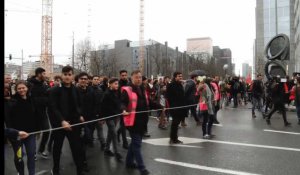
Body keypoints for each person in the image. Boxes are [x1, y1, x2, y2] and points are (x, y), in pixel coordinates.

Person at [121, 70, 162, 175]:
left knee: (134, 143)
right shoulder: (127, 90)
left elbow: (148, 102)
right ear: (132, 78)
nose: (138, 79)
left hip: (143, 121)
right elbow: (122, 103)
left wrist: (160, 107)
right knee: (137, 144)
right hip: (132, 122)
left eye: (140, 77)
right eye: (136, 77)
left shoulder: (142, 88)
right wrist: (123, 109)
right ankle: (142, 168)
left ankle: (129, 162)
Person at [48, 66, 85, 175]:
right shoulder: (55, 90)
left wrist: (79, 115)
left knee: (76, 148)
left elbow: (79, 105)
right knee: (57, 148)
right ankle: (56, 170)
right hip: (60, 125)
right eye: (65, 74)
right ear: (61, 75)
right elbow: (53, 108)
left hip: (73, 124)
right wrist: (62, 121)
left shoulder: (76, 89)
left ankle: (80, 170)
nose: (67, 77)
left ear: (73, 76)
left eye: (69, 74)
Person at [6, 81, 40, 175]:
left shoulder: (32, 100)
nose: (21, 90)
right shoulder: (12, 101)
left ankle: (31, 173)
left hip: (30, 133)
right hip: (17, 135)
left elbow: (36, 116)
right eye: (19, 88)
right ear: (16, 90)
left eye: (23, 88)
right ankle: (20, 173)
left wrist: (38, 130)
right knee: (19, 157)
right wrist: (10, 134)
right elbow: (8, 120)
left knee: (31, 155)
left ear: (27, 88)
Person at [27, 67, 50, 159]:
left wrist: (43, 100)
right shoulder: (30, 85)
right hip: (33, 114)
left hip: (43, 113)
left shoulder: (44, 85)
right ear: (39, 74)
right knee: (33, 134)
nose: (45, 75)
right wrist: (43, 100)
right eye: (44, 74)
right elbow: (31, 100)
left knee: (47, 131)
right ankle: (33, 153)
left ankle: (41, 150)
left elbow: (47, 99)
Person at [101, 78, 123, 162]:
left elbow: (119, 103)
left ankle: (106, 149)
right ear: (110, 84)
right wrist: (102, 117)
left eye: (117, 84)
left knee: (110, 133)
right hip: (108, 116)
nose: (117, 85)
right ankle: (117, 152)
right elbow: (102, 106)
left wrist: (121, 110)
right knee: (113, 133)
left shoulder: (118, 92)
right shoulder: (106, 94)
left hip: (116, 115)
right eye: (115, 84)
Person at [166, 71, 186, 144]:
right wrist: (173, 106)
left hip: (181, 107)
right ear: (175, 77)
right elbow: (169, 97)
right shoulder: (171, 85)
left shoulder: (180, 84)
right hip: (174, 107)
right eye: (179, 76)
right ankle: (173, 138)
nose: (180, 77)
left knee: (177, 123)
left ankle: (174, 138)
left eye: (181, 76)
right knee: (175, 123)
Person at [90, 75, 106, 149]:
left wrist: (102, 115)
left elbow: (102, 103)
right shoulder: (89, 89)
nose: (96, 80)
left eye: (97, 79)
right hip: (91, 114)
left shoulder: (100, 90)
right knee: (91, 129)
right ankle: (90, 141)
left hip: (99, 113)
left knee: (100, 129)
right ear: (92, 80)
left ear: (99, 81)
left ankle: (103, 143)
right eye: (95, 79)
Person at [117, 70, 129, 149]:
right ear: (120, 76)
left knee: (127, 124)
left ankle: (118, 132)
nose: (124, 76)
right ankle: (125, 142)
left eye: (125, 75)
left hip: (129, 106)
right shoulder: (118, 84)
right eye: (122, 75)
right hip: (121, 106)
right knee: (123, 124)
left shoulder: (129, 83)